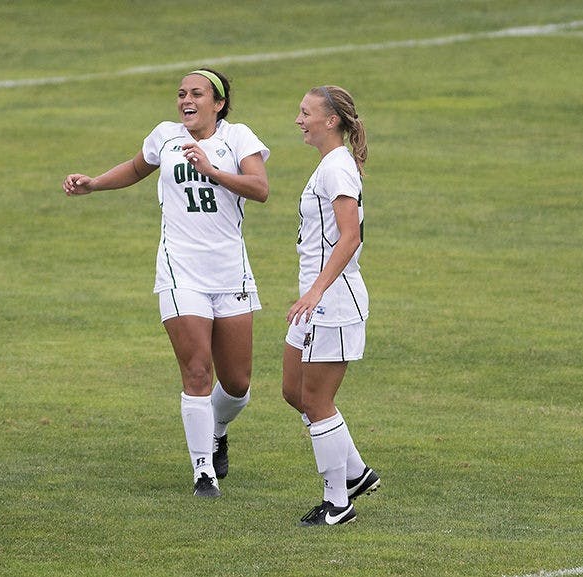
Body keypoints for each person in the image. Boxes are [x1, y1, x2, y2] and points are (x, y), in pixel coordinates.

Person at [64, 69, 269, 497]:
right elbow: (137, 168)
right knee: (196, 370)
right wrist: (95, 184)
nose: (186, 100)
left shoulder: (239, 138)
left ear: (219, 103)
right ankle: (203, 471)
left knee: (237, 384)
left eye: (197, 94)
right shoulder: (165, 136)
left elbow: (259, 188)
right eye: (181, 94)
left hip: (230, 271)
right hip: (180, 271)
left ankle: (218, 429)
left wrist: (211, 170)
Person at [282, 85, 381, 526]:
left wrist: (318, 290)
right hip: (315, 301)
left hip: (332, 303)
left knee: (317, 400)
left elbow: (350, 237)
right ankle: (356, 472)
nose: (299, 120)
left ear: (331, 121)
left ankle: (337, 502)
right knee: (293, 391)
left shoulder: (337, 169)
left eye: (306, 113)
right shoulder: (328, 166)